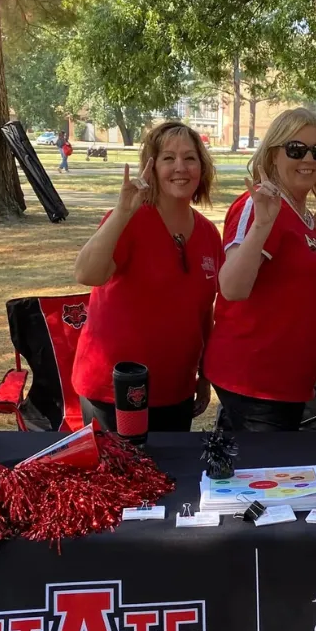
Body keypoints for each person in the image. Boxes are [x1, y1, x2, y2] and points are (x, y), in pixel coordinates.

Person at [72, 121, 220, 432]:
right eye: (168, 158)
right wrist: (121, 212)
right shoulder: (131, 219)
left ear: (201, 168)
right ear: (151, 168)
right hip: (114, 390)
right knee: (122, 479)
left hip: (175, 390)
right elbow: (87, 274)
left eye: (190, 158)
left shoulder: (208, 233)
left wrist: (204, 375)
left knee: (172, 479)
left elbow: (203, 310)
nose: (180, 167)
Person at [204, 108, 316, 432]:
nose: (308, 159)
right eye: (296, 149)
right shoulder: (261, 206)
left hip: (287, 383)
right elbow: (233, 288)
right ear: (273, 154)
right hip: (256, 381)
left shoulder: (303, 216)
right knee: (265, 479)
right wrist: (263, 223)